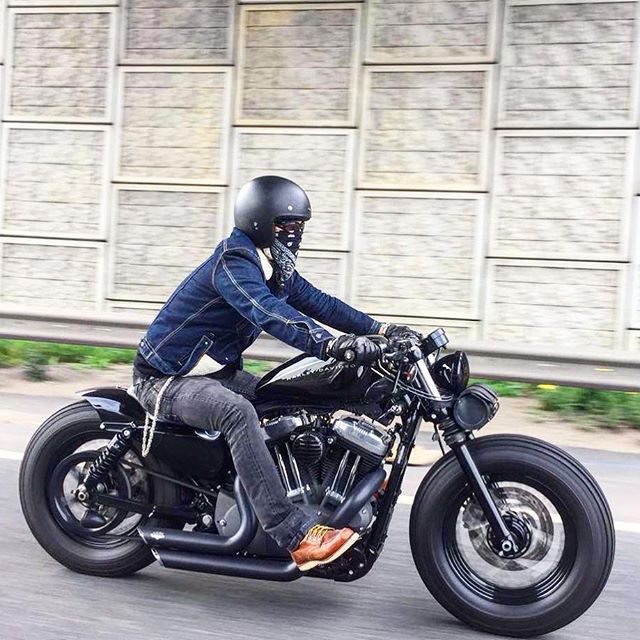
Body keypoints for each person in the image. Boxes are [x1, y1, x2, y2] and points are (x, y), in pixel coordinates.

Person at [131, 175, 416, 572]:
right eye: (286, 225)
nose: (294, 233)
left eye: (299, 226)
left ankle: (329, 483)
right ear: (260, 223)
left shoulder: (274, 267)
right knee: (237, 413)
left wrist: (381, 331)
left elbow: (321, 303)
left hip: (214, 375)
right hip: (166, 381)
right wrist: (329, 344)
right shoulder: (234, 262)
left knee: (286, 400)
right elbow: (267, 312)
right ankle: (293, 534)